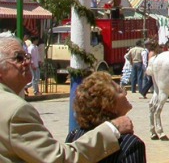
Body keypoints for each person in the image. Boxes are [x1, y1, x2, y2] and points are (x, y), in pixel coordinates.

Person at [0, 34, 134, 162]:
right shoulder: (16, 111)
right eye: (19, 58)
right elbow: (58, 159)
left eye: (26, 56)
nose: (27, 62)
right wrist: (112, 129)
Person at [66, 72, 146, 163]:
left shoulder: (73, 136)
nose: (125, 93)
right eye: (120, 91)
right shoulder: (130, 144)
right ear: (108, 104)